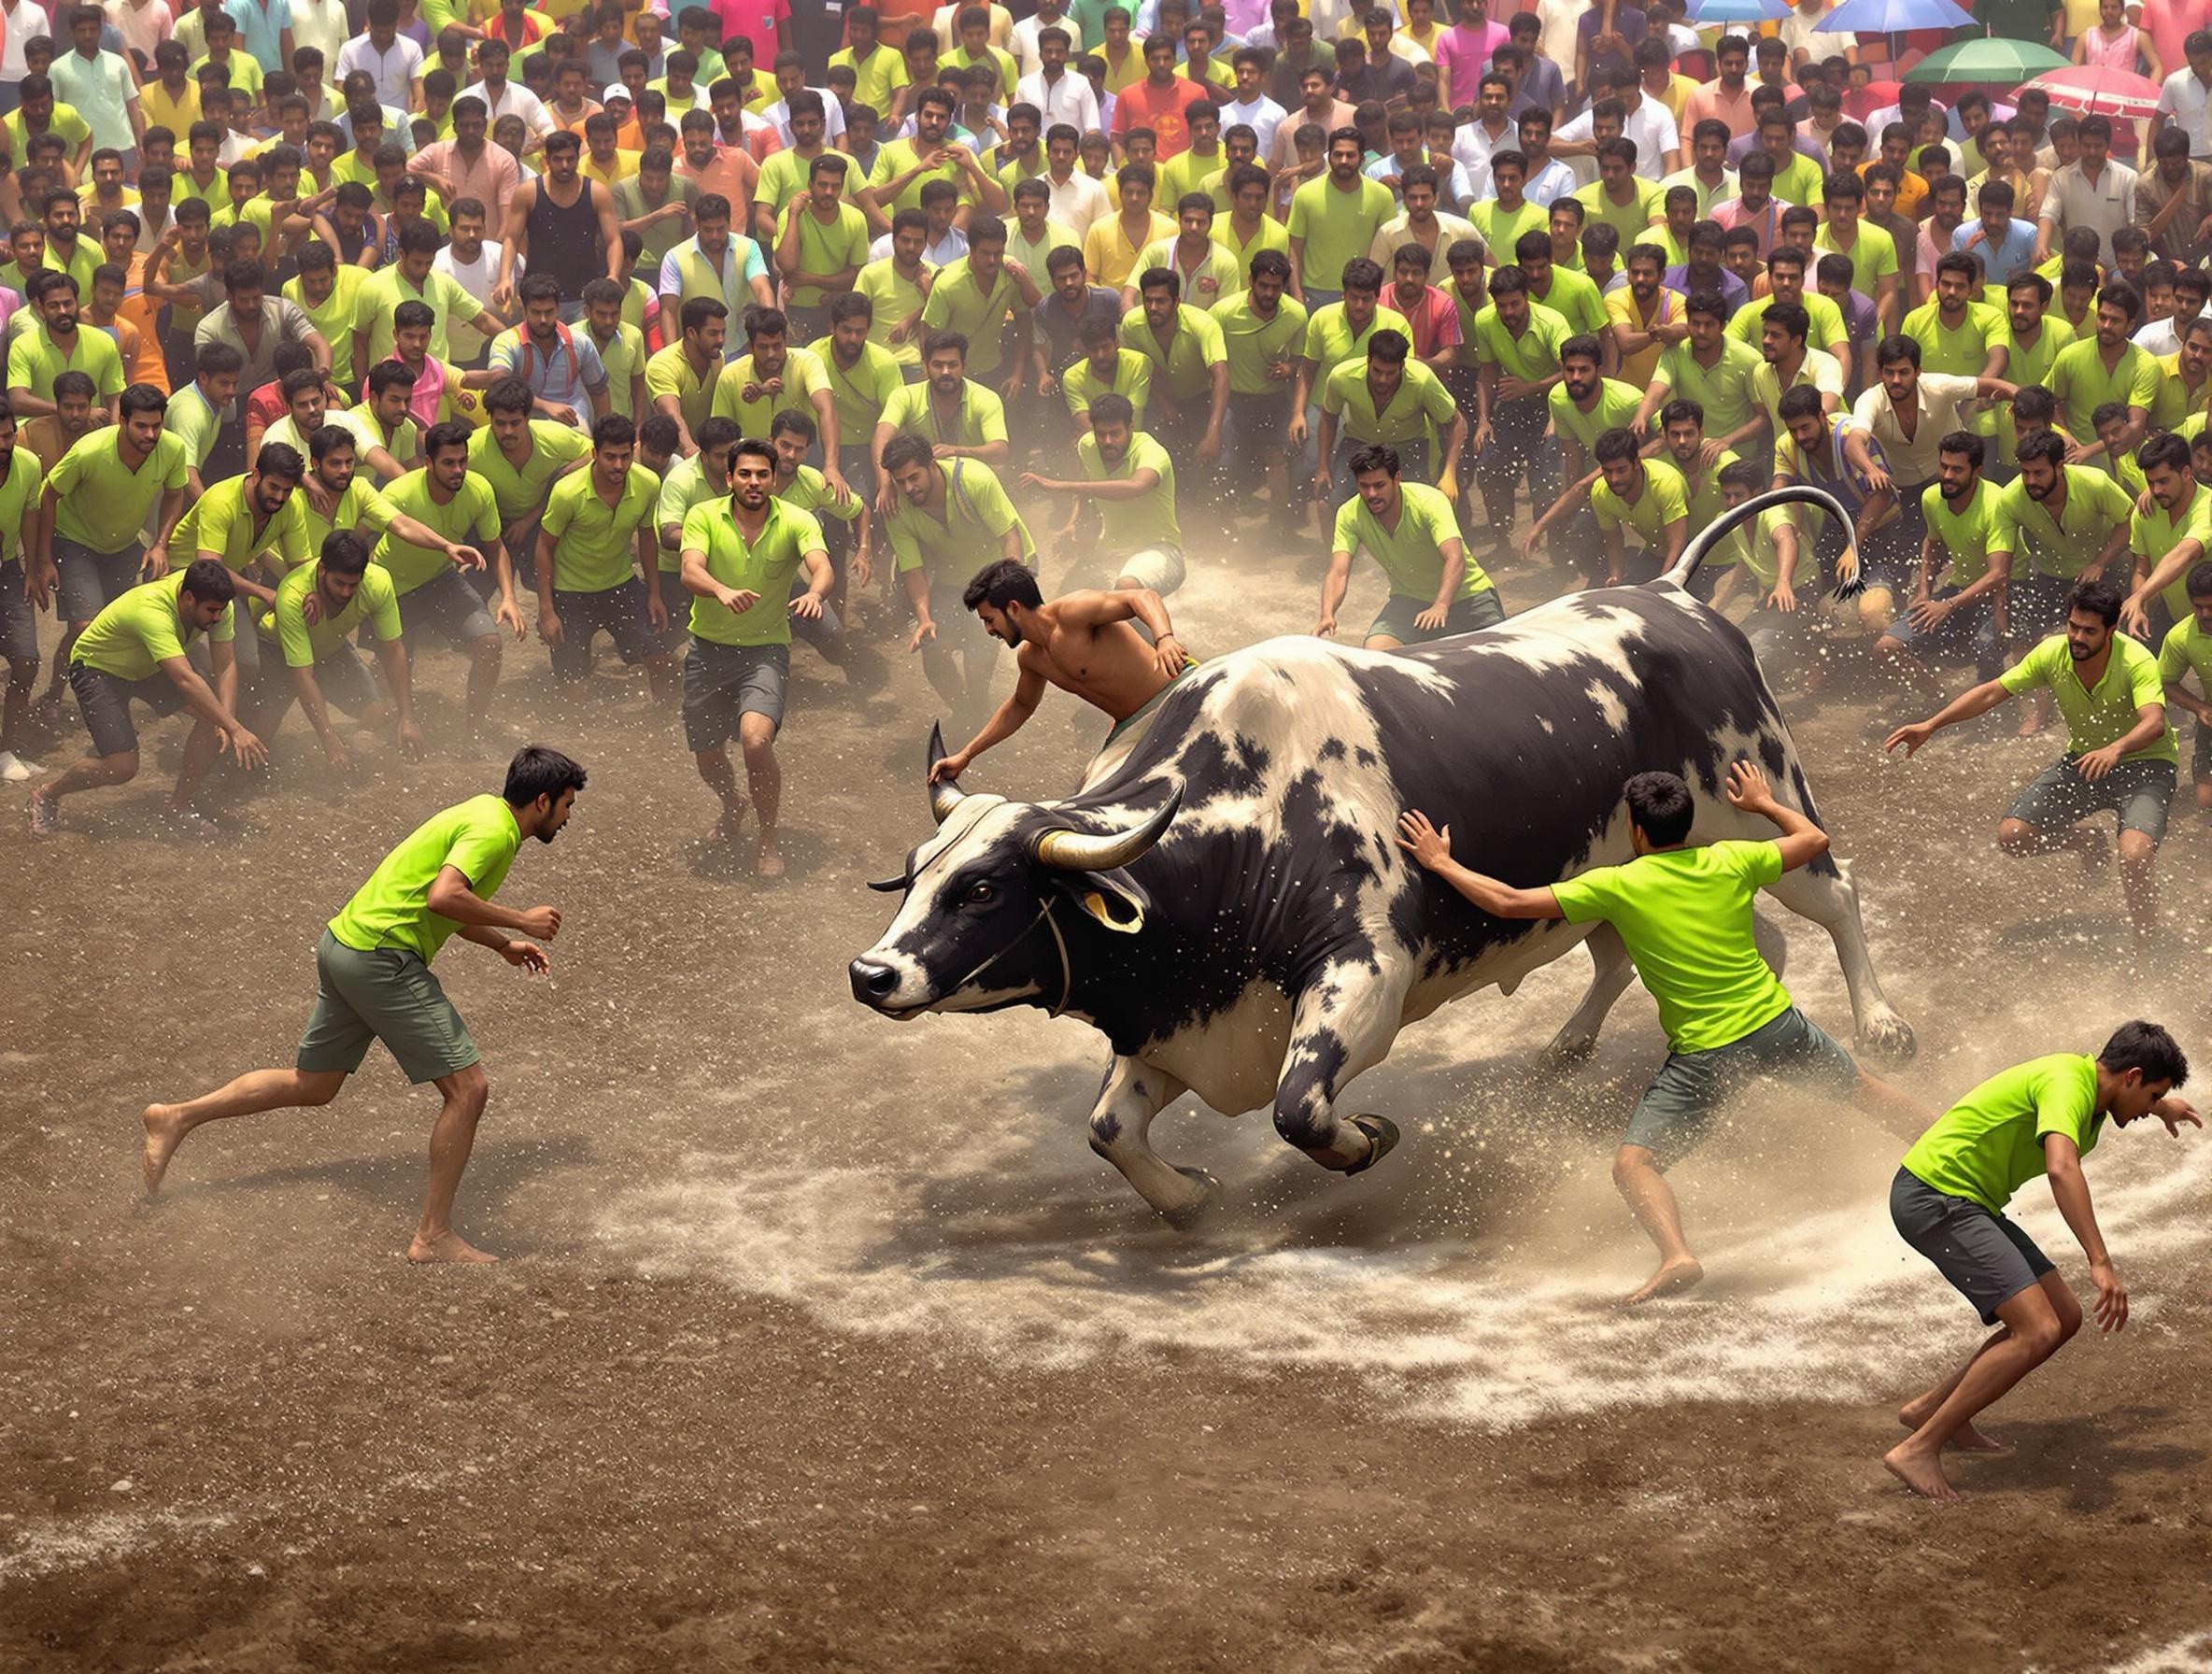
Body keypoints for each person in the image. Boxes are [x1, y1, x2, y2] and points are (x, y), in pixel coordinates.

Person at [1397, 760, 1928, 1303]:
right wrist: (1763, 803)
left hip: (1707, 1055)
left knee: (1634, 1166)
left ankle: (1677, 1255)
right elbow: (1815, 839)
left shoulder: (1618, 885)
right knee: (1866, 1091)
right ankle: (1956, 1151)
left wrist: (1441, 863)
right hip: (1776, 1025)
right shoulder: (1732, 858)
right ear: (1688, 822)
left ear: (1636, 829)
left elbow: (1508, 903)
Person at [138, 745, 587, 1265]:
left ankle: (175, 1117)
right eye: (568, 805)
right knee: (469, 1089)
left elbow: (437, 900)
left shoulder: (481, 811)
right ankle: (433, 1235)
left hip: (345, 945)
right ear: (543, 800)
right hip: (381, 958)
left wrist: (501, 945)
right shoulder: (495, 833)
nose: (569, 817)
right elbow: (444, 897)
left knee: (314, 1085)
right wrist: (521, 921)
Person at [1883, 1021, 2197, 1501]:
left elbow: (2121, 1107)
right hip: (1936, 1196)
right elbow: (2060, 1166)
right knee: (2037, 1329)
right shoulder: (2067, 1082)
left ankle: (1932, 1409)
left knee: (2064, 1317)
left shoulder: (2094, 1088)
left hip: (1968, 1201)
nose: (2146, 1109)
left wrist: (2160, 1108)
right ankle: (1920, 1447)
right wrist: (2100, 1261)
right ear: (2131, 1076)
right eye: (2151, 1094)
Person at [1885, 575, 2176, 941]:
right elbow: (1991, 692)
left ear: (2111, 630)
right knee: (2013, 837)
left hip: (2145, 765)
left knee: (2134, 855)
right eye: (2073, 627)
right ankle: (2086, 841)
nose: (2077, 638)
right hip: (2085, 761)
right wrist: (1932, 724)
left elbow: (2154, 723)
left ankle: (2147, 942)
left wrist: (2115, 748)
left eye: (2089, 631)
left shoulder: (2136, 661)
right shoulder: (2053, 652)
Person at [676, 434, 831, 878]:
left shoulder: (797, 519)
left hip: (765, 650)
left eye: (763, 473)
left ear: (774, 477)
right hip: (707, 648)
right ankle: (733, 802)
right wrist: (720, 589)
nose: (754, 481)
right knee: (707, 756)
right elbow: (690, 569)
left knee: (755, 741)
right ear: (729, 478)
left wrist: (816, 594)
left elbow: (821, 566)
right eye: (745, 473)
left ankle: (768, 836)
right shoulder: (703, 515)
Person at [28, 558, 269, 835]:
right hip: (99, 668)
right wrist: (234, 726)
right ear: (188, 598)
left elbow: (226, 664)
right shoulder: (152, 610)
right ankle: (46, 794)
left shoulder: (216, 605)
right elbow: (184, 678)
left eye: (221, 611)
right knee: (122, 767)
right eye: (212, 611)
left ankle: (178, 807)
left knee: (213, 722)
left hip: (147, 664)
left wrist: (226, 723)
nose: (218, 617)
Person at [929, 557, 1189, 792]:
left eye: (989, 619)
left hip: (1176, 694)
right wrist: (966, 755)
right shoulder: (1031, 658)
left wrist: (1164, 639)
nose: (988, 630)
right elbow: (1019, 706)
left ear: (1014, 608)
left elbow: (1142, 597)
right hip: (1130, 727)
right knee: (1089, 796)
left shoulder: (1073, 611)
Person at [879, 428, 1033, 735]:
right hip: (955, 579)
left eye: (914, 478)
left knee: (979, 655)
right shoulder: (896, 508)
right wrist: (924, 618)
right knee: (933, 651)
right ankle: (968, 713)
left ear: (932, 465)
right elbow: (913, 571)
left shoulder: (973, 479)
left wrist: (1005, 595)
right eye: (900, 482)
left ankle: (979, 713)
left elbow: (1010, 539)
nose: (908, 488)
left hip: (1001, 570)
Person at [244, 527, 424, 769]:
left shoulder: (378, 583)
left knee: (376, 714)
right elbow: (303, 676)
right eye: (338, 583)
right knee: (258, 739)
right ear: (321, 570)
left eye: (353, 585)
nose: (345, 592)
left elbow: (393, 649)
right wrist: (327, 738)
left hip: (330, 649)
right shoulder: (293, 594)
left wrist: (407, 716)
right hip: (278, 652)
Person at [533, 413, 674, 702]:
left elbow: (647, 537)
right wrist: (547, 611)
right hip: (570, 593)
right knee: (573, 690)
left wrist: (654, 593)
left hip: (620, 585)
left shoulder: (648, 484)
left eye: (625, 456)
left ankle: (663, 725)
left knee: (661, 658)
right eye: (610, 457)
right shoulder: (567, 492)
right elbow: (544, 548)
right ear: (594, 453)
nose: (619, 465)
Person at [1318, 440, 1503, 649]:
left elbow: (1454, 557)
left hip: (1469, 597)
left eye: (1379, 485)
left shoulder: (1429, 501)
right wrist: (1327, 613)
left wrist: (1441, 604)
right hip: (1409, 600)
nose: (1372, 495)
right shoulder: (1348, 514)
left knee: (1500, 661)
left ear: (1396, 479)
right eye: (1364, 486)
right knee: (1375, 653)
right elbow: (1338, 572)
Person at [1019, 391, 1182, 594]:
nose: (1106, 441)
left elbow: (1135, 488)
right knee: (1067, 598)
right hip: (1111, 550)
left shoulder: (1150, 451)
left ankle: (1156, 626)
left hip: (1161, 549)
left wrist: (1059, 485)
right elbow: (1087, 485)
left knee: (1126, 588)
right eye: (1100, 433)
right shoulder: (1087, 446)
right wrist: (1073, 525)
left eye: (1114, 433)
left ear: (1130, 428)